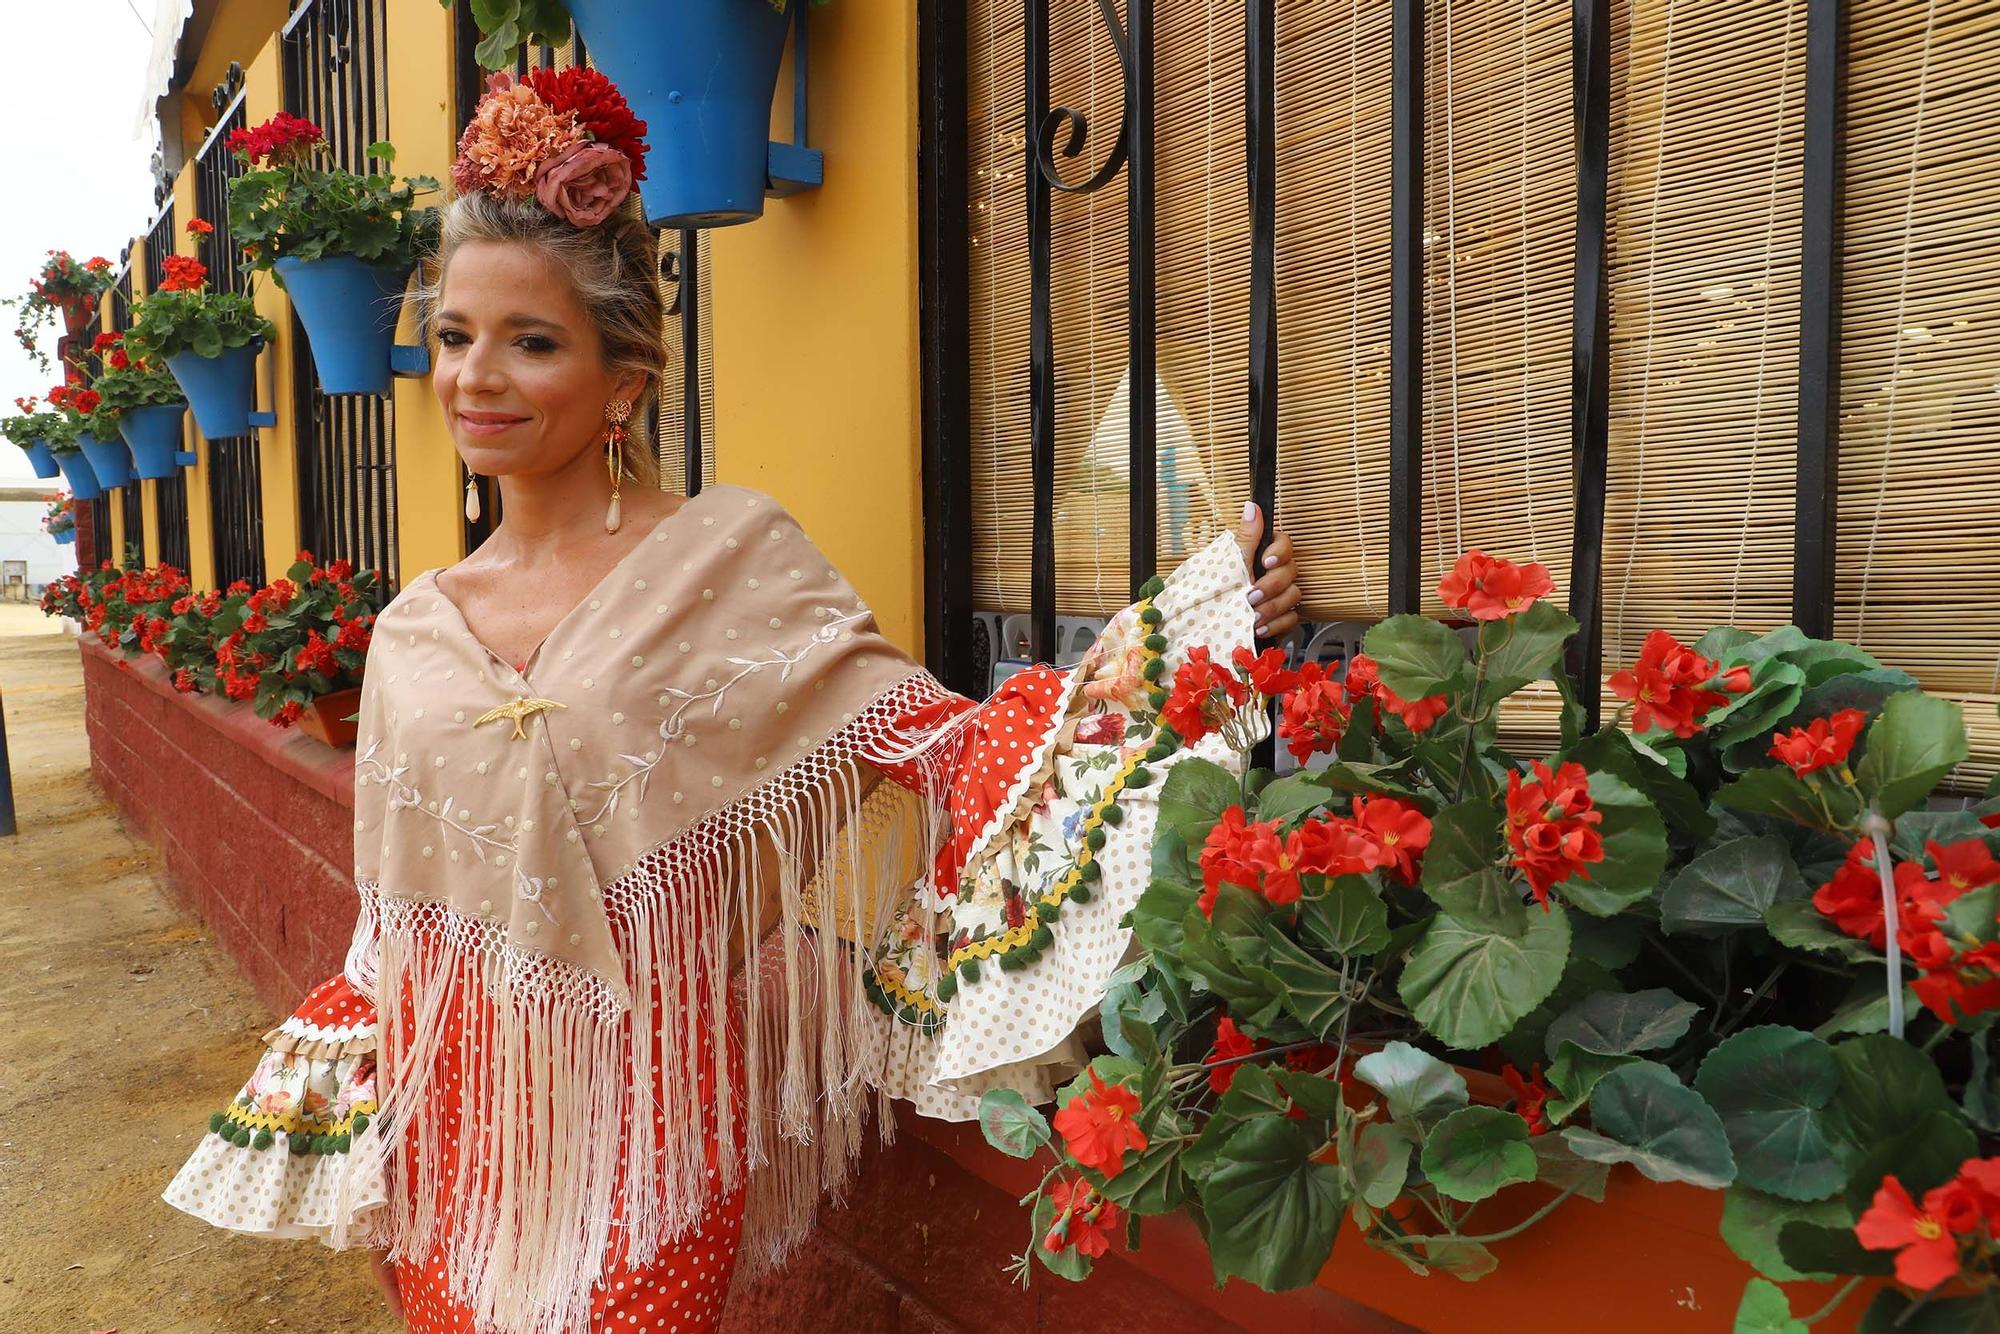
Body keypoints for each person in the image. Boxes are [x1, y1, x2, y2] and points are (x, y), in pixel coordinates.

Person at [164, 67, 1304, 1334]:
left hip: (656, 1125)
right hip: (457, 1138)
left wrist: (1186, 635)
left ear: (624, 376)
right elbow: (395, 932)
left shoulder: (730, 560)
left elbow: (943, 750)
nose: (475, 377)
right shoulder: (410, 632)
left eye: (530, 340)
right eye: (452, 335)